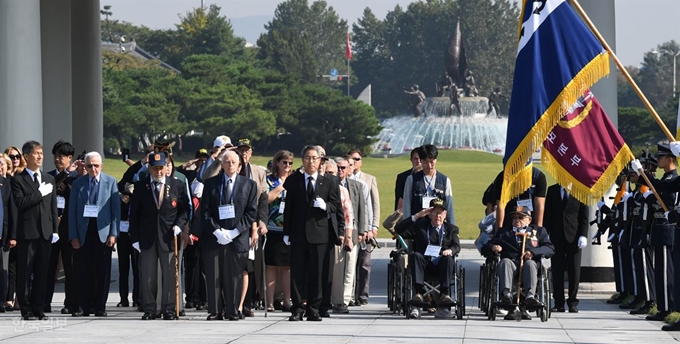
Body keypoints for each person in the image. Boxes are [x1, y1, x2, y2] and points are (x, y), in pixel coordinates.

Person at [197, 150, 258, 321]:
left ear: (239, 165)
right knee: (214, 274)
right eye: (226, 161)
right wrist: (216, 231)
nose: (229, 164)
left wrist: (235, 231)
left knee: (235, 276)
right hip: (215, 236)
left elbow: (251, 212)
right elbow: (205, 211)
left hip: (237, 237)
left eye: (233, 162)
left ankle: (233, 310)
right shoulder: (211, 184)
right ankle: (215, 310)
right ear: (221, 164)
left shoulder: (249, 185)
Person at [283, 145, 342, 322]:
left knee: (317, 273)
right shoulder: (294, 181)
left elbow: (336, 206)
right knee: (297, 273)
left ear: (320, 161)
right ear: (303, 160)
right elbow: (289, 209)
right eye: (308, 158)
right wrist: (287, 232)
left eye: (314, 158)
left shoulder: (330, 181)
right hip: (299, 233)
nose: (311, 161)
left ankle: (314, 308)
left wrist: (325, 207)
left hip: (320, 233)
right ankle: (297, 308)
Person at [129, 152, 190, 320]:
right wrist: (134, 238)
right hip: (147, 237)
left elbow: (185, 209)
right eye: (155, 168)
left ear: (166, 168)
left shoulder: (177, 185)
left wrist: (179, 225)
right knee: (148, 276)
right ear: (149, 168)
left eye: (161, 168)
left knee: (170, 274)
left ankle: (169, 309)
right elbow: (134, 214)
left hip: (169, 236)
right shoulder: (141, 187)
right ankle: (150, 309)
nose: (158, 171)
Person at [68, 151, 120, 317]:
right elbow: (72, 212)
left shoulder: (110, 182)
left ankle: (100, 306)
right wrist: (73, 235)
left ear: (101, 166)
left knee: (102, 271)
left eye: (96, 165)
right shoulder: (78, 184)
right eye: (89, 165)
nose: (93, 169)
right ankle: (84, 305)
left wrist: (113, 234)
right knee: (83, 270)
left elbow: (115, 211)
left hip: (103, 232)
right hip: (84, 231)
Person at [10, 141, 58, 320]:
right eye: (36, 153)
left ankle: (39, 306)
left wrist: (55, 230)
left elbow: (52, 207)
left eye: (41, 153)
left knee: (42, 272)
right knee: (25, 272)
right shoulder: (18, 180)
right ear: (26, 156)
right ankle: (26, 308)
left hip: (45, 233)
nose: (39, 157)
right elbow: (20, 203)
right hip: (27, 233)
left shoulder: (49, 178)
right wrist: (39, 193)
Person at [482, 206, 554, 321]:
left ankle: (530, 296)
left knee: (530, 264)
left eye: (521, 217)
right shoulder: (504, 232)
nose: (517, 220)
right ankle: (506, 294)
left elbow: (549, 248)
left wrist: (533, 253)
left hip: (529, 265)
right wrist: (494, 247)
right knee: (505, 262)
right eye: (514, 218)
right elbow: (486, 247)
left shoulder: (538, 231)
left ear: (529, 220)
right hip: (511, 265)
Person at [394, 198, 461, 319]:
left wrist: (450, 250)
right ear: (429, 214)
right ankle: (418, 293)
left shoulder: (451, 229)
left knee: (449, 259)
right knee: (415, 255)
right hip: (423, 264)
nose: (437, 216)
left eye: (440, 213)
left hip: (441, 263)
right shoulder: (421, 226)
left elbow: (456, 246)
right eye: (434, 213)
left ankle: (444, 294)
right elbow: (399, 230)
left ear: (445, 214)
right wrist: (417, 216)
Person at [44, 141, 79, 314]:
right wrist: (65, 173)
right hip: (50, 228)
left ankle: (70, 303)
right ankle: (44, 302)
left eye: (62, 157)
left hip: (66, 229)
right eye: (56, 156)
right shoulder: (48, 175)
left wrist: (70, 174)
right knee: (48, 268)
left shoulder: (75, 178)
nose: (58, 159)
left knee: (70, 268)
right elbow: (50, 188)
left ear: (70, 158)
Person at [544, 184, 588, 313]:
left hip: (574, 236)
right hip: (556, 236)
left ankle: (573, 302)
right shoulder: (552, 190)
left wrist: (583, 235)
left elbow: (584, 216)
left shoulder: (580, 190)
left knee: (574, 269)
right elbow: (548, 213)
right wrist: (545, 234)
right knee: (557, 269)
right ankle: (559, 302)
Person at [331, 157, 367, 314]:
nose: (340, 171)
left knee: (350, 268)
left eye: (343, 168)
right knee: (337, 267)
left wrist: (361, 232)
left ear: (348, 169)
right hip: (335, 231)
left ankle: (345, 299)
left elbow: (362, 210)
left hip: (352, 231)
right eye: (338, 168)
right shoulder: (329, 185)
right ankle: (336, 298)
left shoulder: (356, 186)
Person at [348, 149, 380, 306]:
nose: (354, 162)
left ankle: (363, 295)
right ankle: (351, 294)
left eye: (357, 159)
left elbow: (374, 205)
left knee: (364, 263)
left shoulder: (369, 179)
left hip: (366, 227)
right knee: (350, 263)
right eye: (351, 159)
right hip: (351, 227)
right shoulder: (343, 179)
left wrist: (373, 226)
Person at [264, 150, 294, 312]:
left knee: (287, 267)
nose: (287, 166)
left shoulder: (294, 180)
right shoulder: (270, 181)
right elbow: (267, 199)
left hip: (289, 229)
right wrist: (282, 186)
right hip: (273, 228)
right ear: (277, 163)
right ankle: (269, 301)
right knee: (271, 266)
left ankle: (287, 300)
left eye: (290, 163)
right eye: (284, 163)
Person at [402, 144, 455, 225]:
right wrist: (406, 225)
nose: (429, 166)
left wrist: (453, 231)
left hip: (437, 228)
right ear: (421, 161)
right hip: (417, 227)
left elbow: (449, 207)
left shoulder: (445, 181)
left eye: (432, 162)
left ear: (436, 160)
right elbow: (407, 205)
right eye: (425, 162)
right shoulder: (411, 180)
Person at [493, 166, 547, 230]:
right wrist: (498, 230)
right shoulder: (503, 177)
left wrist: (539, 230)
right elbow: (501, 205)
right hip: (509, 219)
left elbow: (539, 205)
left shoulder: (538, 176)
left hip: (529, 220)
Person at [116, 181, 140, 309]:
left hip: (135, 236)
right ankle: (123, 298)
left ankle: (137, 298)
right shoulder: (122, 198)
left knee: (137, 268)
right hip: (123, 235)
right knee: (123, 268)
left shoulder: (139, 197)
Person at [0, 153, 16, 315]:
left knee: (4, 270)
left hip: (3, 235)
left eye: (2, 163)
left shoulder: (8, 184)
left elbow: (12, 212)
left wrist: (12, 235)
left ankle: (2, 300)